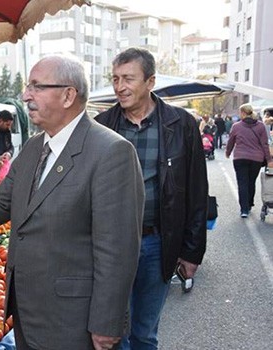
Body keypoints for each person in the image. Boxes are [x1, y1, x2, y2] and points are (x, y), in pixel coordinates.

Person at [0, 55, 145, 350]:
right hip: (27, 311)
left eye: (36, 86)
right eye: (27, 86)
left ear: (68, 95)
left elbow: (118, 249)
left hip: (74, 319)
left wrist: (107, 323)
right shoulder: (36, 147)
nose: (25, 95)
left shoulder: (111, 152)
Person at [95, 47, 208, 350]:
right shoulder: (101, 125)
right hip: (110, 245)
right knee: (112, 332)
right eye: (115, 78)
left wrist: (192, 251)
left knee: (145, 333)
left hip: (157, 243)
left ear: (150, 81)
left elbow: (196, 190)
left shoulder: (180, 124)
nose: (120, 86)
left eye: (129, 78)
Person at [225, 103, 273, 217]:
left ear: (243, 113)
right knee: (251, 182)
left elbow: (231, 141)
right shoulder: (261, 126)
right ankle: (250, 203)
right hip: (256, 159)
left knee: (242, 183)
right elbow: (265, 144)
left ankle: (244, 210)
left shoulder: (236, 126)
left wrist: (228, 152)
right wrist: (269, 159)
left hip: (240, 158)